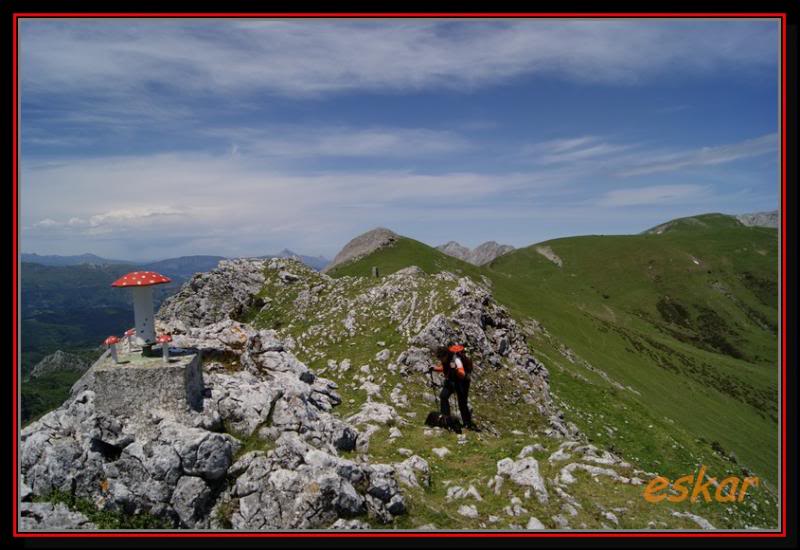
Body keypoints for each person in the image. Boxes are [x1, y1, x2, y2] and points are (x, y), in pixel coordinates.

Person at [430, 344, 479, 431]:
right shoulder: (446, 360)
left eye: (441, 358)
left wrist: (456, 369)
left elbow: (462, 373)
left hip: (462, 382)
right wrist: (435, 369)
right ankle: (446, 420)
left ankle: (468, 424)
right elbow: (445, 368)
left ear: (445, 355)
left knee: (462, 404)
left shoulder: (456, 360)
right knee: (443, 396)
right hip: (451, 380)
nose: (440, 360)